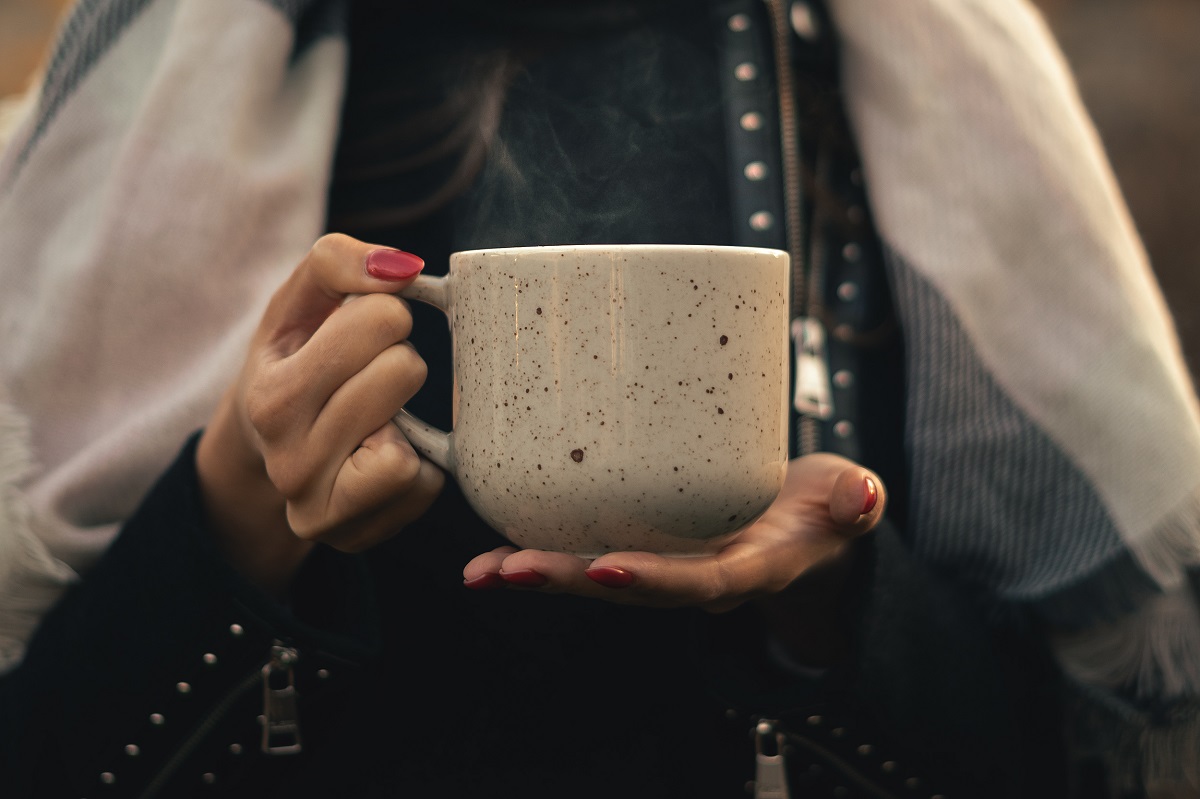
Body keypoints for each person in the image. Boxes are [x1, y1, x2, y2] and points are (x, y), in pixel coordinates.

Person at [1, 0, 1198, 797]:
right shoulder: (170, 79)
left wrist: (832, 598)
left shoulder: (898, 59)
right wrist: (234, 508)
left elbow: (1074, 751)